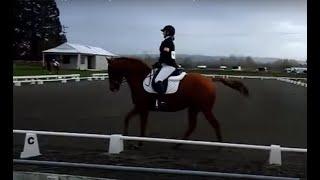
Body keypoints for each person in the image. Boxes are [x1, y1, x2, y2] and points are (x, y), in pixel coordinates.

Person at [152, 25, 179, 109]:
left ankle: (163, 101)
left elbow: (165, 55)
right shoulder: (169, 41)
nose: (163, 33)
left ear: (167, 32)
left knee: (157, 80)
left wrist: (159, 63)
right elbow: (171, 56)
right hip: (167, 64)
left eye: (164, 31)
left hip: (169, 66)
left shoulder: (167, 42)